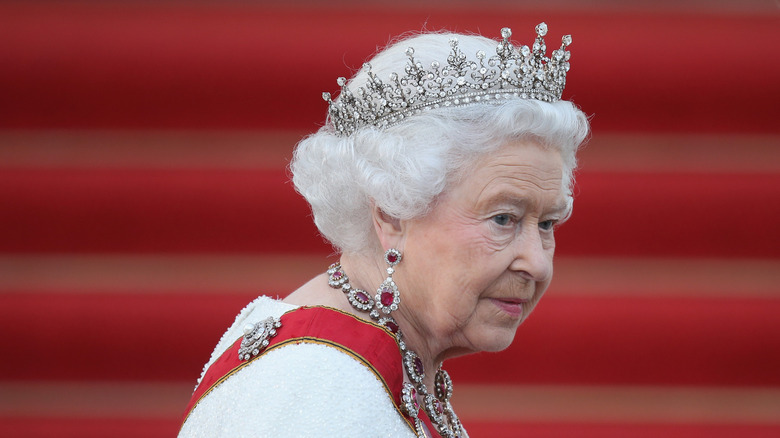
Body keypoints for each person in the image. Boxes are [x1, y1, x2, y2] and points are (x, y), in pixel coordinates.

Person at [179, 23, 589, 438]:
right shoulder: (321, 391)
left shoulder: (373, 363)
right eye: (503, 219)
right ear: (392, 214)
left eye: (548, 223)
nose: (536, 263)